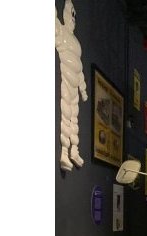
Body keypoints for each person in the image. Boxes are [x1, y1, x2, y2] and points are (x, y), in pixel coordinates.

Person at [55, 0, 88, 171]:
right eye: (71, 14)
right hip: (67, 80)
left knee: (74, 118)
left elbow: (80, 68)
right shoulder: (61, 31)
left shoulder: (75, 41)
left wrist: (83, 89)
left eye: (75, 15)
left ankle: (74, 151)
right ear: (66, 15)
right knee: (66, 117)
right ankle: (64, 154)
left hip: (75, 84)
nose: (73, 18)